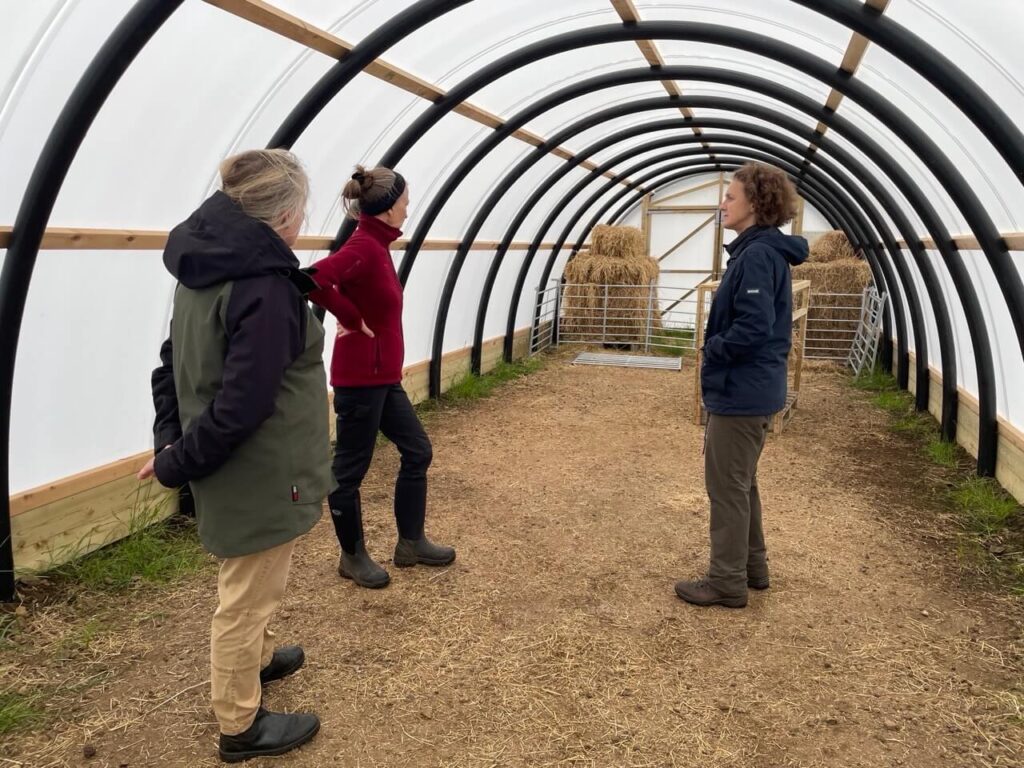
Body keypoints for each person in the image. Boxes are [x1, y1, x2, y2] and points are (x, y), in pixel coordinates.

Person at [138, 149, 330, 761]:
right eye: (302, 211)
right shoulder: (263, 285)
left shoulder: (203, 267)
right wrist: (174, 461)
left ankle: (260, 662)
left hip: (231, 465)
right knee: (247, 596)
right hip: (262, 472)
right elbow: (245, 406)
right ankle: (240, 725)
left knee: (256, 584)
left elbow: (170, 362)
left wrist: (171, 438)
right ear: (284, 217)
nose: (303, 221)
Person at [308, 165, 455, 590]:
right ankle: (352, 556)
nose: (409, 210)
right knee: (349, 471)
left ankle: (411, 543)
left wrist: (387, 356)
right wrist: (350, 318)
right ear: (389, 209)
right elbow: (313, 279)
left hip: (383, 378)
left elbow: (379, 312)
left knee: (417, 450)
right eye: (406, 203)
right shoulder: (364, 247)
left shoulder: (378, 246)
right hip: (359, 381)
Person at [675, 162, 808, 609]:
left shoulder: (756, 256)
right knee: (741, 482)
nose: (723, 205)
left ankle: (727, 582)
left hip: (742, 391)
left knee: (727, 488)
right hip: (754, 390)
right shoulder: (762, 252)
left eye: (730, 198)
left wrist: (713, 349)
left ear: (755, 203)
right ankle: (753, 568)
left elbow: (752, 328)